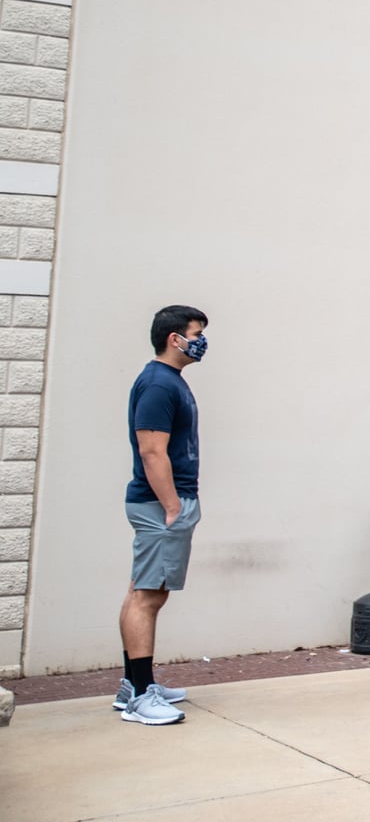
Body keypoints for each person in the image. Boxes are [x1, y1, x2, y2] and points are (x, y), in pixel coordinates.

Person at [115, 305, 210, 725]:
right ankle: (139, 696)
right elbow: (151, 450)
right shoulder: (158, 384)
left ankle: (133, 684)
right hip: (159, 505)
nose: (201, 341)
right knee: (149, 596)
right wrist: (173, 506)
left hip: (162, 504)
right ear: (175, 338)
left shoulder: (169, 381)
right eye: (197, 333)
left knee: (143, 588)